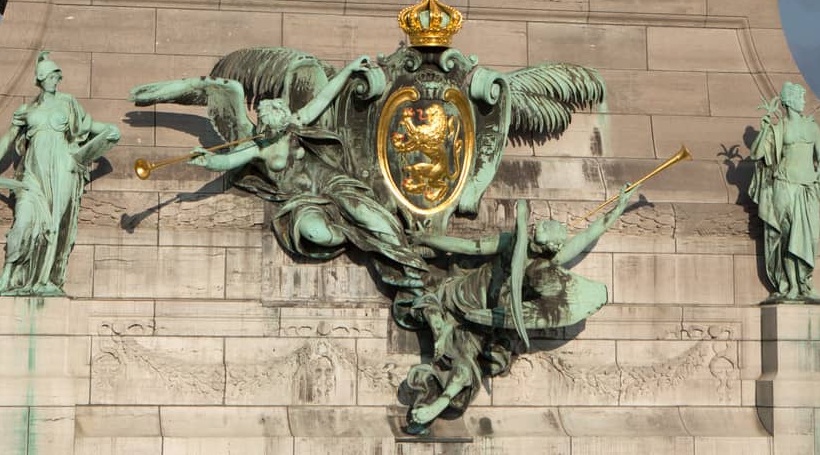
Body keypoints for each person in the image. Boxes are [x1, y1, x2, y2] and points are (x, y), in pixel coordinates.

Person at [396, 189, 635, 430]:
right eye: (532, 235)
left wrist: (617, 210)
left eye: (536, 240)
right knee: (432, 311)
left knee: (463, 360)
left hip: (484, 318)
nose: (531, 240)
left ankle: (434, 405)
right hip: (466, 297)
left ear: (546, 248)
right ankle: (442, 334)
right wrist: (425, 239)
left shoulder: (546, 265)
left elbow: (585, 236)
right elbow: (467, 247)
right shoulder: (512, 243)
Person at [182, 56, 429, 287]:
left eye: (273, 120)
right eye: (266, 122)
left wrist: (349, 69)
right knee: (315, 233)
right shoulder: (259, 148)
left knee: (366, 214)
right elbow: (230, 160)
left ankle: (408, 267)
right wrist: (209, 161)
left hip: (330, 183)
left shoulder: (295, 125)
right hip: (303, 201)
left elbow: (323, 98)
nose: (269, 126)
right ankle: (361, 237)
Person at [0, 52, 122, 296]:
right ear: (41, 79)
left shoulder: (68, 103)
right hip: (33, 173)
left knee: (54, 225)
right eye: (51, 77)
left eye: (57, 77)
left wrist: (109, 130)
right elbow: (9, 137)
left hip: (62, 169)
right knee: (23, 222)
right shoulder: (27, 109)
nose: (56, 81)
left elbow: (89, 127)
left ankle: (46, 279)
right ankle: (7, 274)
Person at [749, 82, 820, 302]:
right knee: (787, 237)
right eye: (800, 98)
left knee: (808, 239)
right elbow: (757, 154)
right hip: (784, 184)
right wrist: (764, 130)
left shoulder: (813, 127)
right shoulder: (779, 127)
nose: (804, 101)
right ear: (790, 101)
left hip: (806, 187)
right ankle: (792, 285)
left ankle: (805, 282)